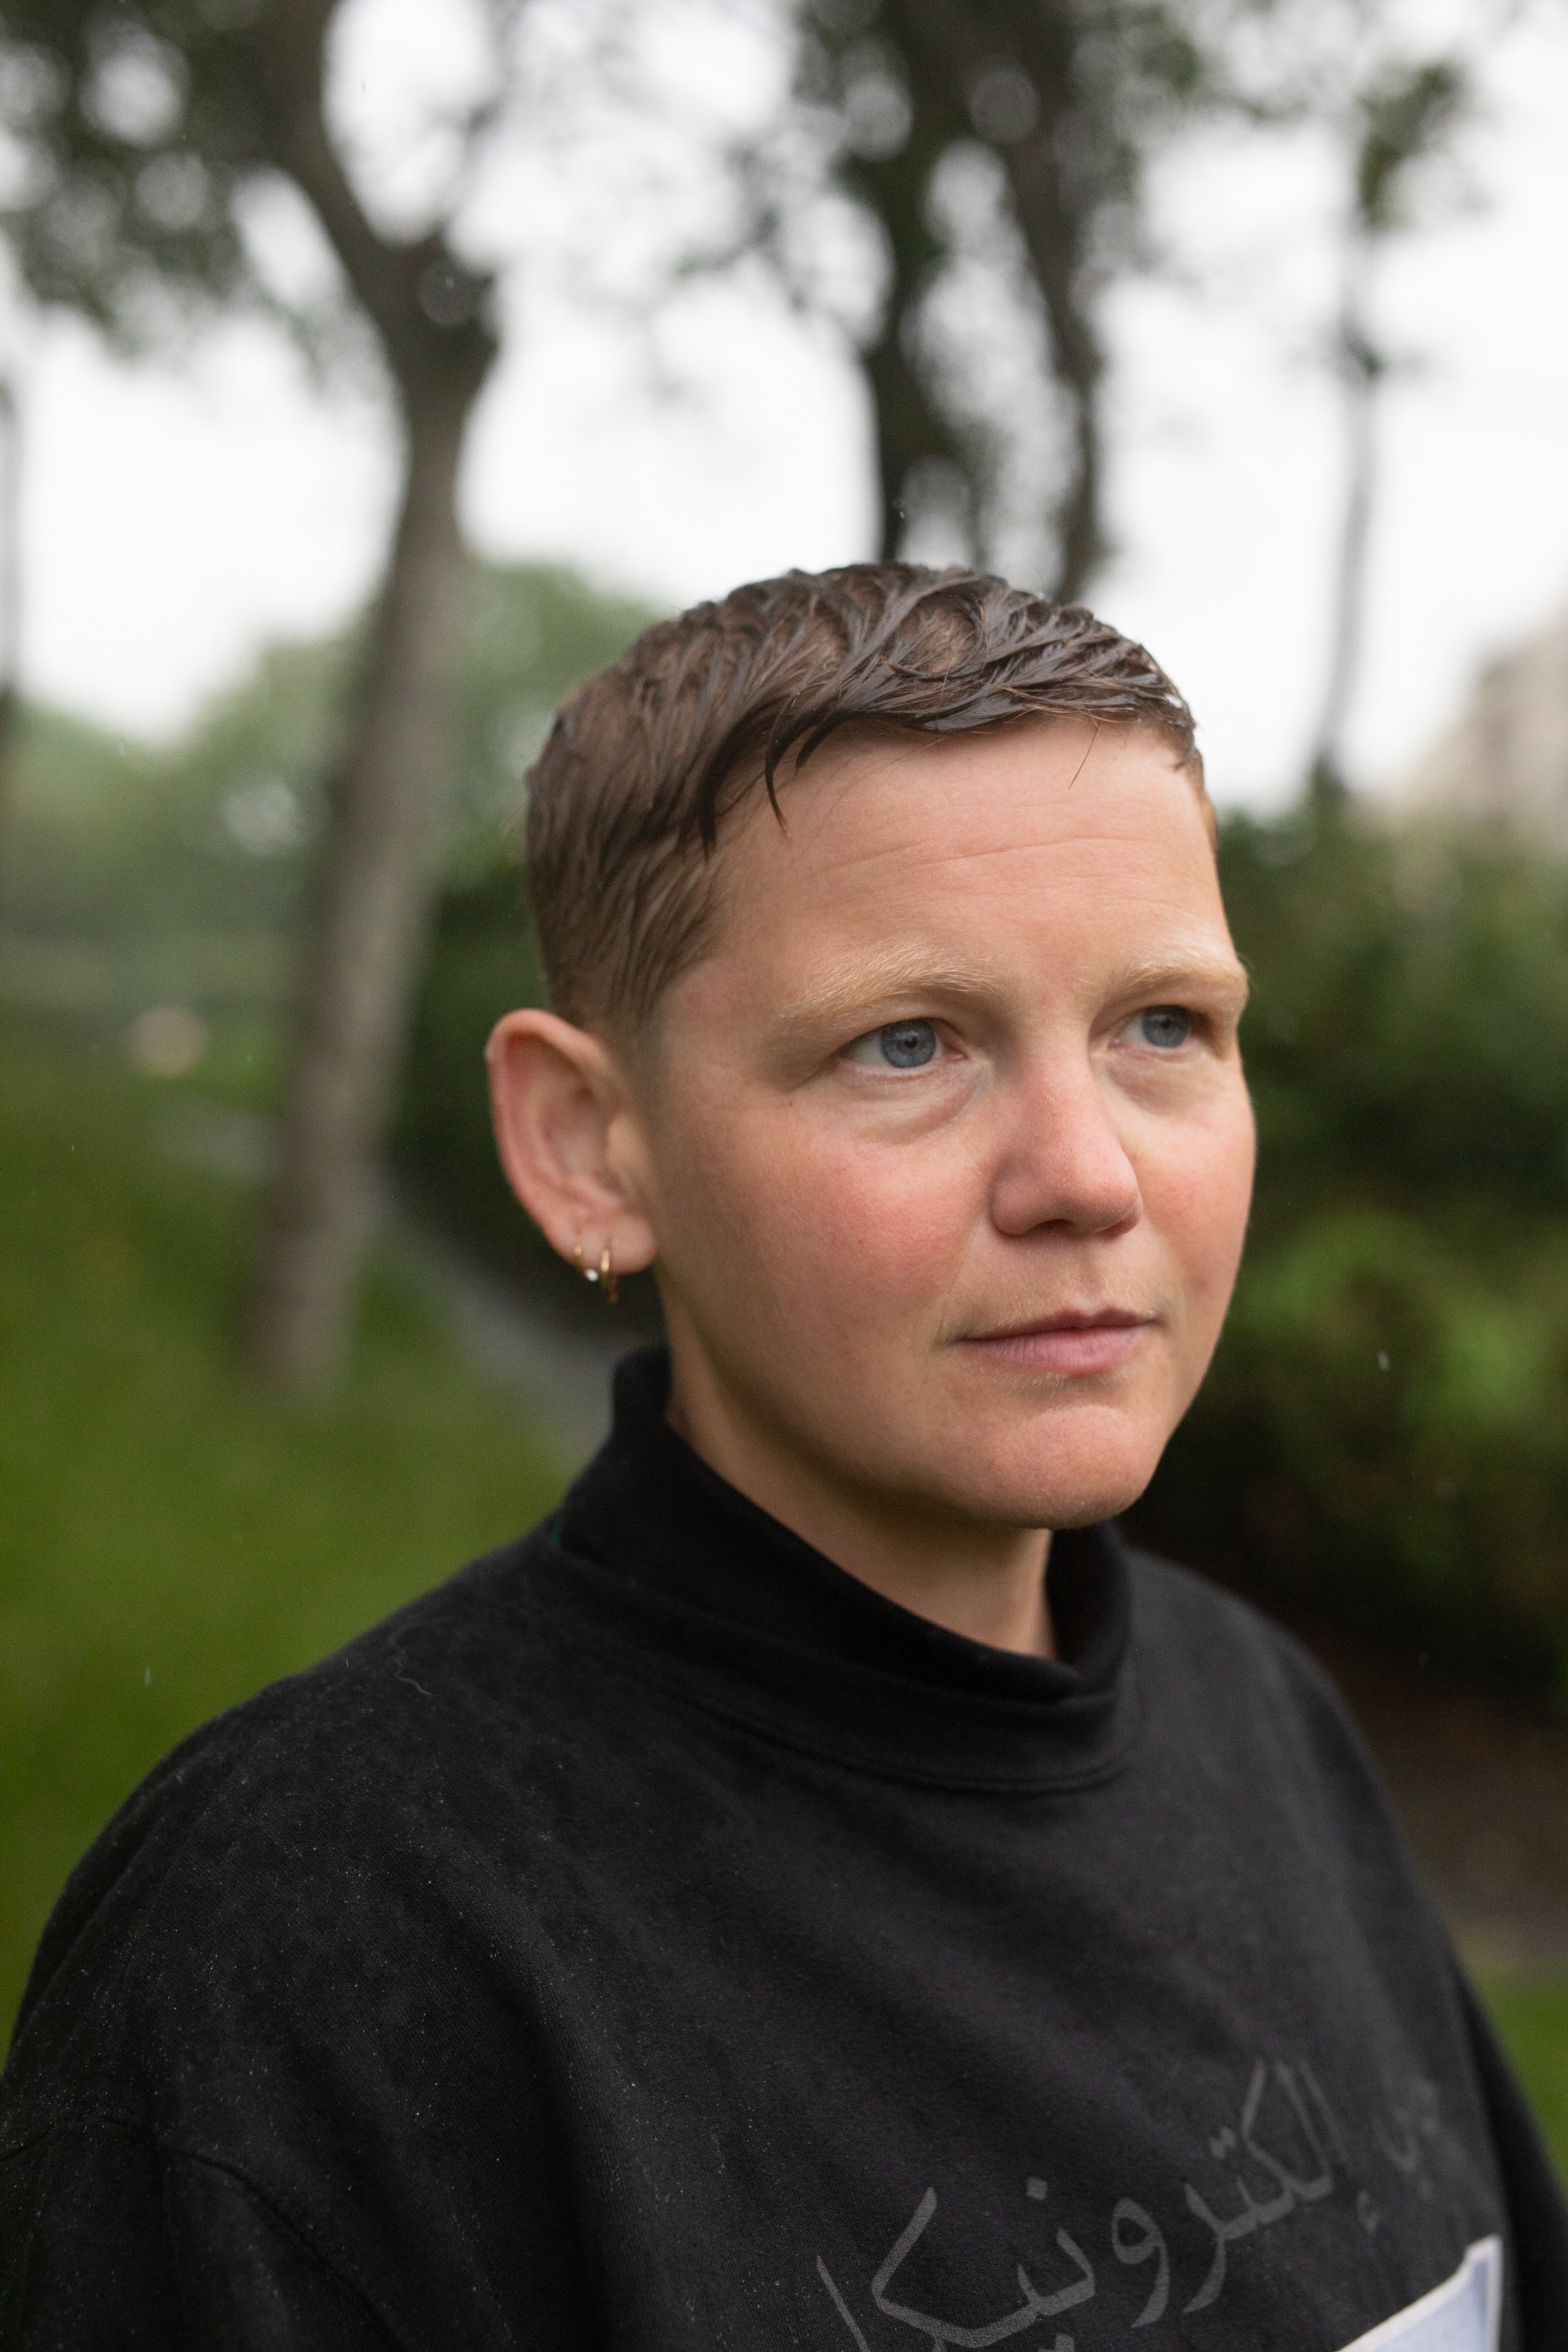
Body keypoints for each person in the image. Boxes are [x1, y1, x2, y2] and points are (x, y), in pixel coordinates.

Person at [1, 564, 1563, 2350]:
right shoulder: (305, 1966)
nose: (1091, 1173)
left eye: (1163, 1029)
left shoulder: (1264, 1721)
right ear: (593, 1143)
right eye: (909, 1043)